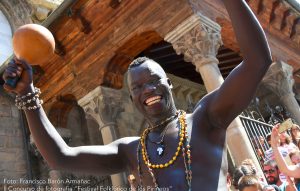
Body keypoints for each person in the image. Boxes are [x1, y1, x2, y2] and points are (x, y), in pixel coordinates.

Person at [2, 0, 272, 190]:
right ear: (132, 99)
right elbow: (60, 156)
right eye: (138, 87)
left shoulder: (205, 120)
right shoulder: (130, 151)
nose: (148, 89)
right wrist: (28, 95)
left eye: (154, 81)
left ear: (168, 84)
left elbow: (257, 61)